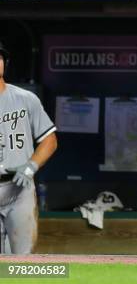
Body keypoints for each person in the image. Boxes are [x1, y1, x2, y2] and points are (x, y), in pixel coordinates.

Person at [0, 41, 58, 254]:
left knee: (24, 261)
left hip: (20, 188)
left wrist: (31, 166)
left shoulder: (26, 99)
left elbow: (50, 140)